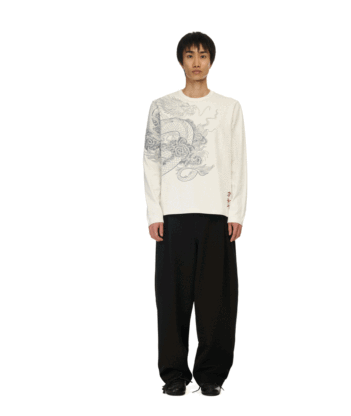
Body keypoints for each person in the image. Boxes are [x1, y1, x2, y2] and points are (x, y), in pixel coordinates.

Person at [143, 31, 248, 396]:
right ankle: (174, 375)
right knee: (171, 300)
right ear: (181, 60)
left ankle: (211, 376)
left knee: (217, 301)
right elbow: (151, 161)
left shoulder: (229, 108)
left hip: (217, 215)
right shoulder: (161, 107)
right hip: (172, 216)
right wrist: (154, 212)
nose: (197, 62)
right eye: (190, 55)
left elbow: (238, 161)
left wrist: (237, 212)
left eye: (203, 55)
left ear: (211, 60)